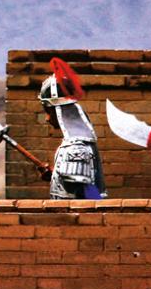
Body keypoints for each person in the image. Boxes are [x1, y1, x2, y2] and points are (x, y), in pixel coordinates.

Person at [38, 57, 106, 199]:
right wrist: (57, 175)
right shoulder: (77, 144)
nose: (47, 118)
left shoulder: (75, 149)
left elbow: (92, 197)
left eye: (48, 112)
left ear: (59, 111)